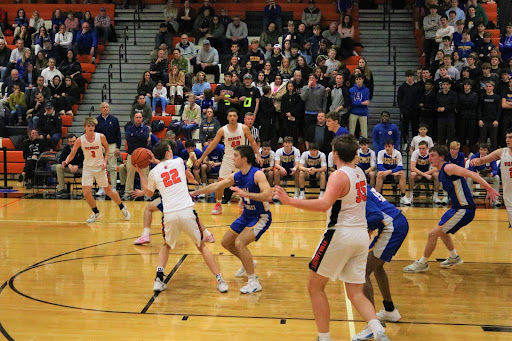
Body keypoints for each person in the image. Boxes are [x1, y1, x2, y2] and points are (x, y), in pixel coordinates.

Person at [273, 135, 390, 341]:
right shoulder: (360, 172)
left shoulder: (339, 175)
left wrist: (290, 200)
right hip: (361, 236)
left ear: (335, 153)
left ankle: (324, 337)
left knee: (315, 287)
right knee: (355, 292)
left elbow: (323, 204)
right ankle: (379, 332)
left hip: (340, 234)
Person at [133, 140, 227, 293]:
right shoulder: (178, 162)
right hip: (186, 210)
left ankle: (158, 280)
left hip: (169, 214)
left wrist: (140, 172)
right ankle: (220, 280)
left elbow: (149, 193)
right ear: (168, 153)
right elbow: (166, 164)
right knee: (201, 246)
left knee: (166, 246)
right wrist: (156, 159)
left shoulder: (153, 173)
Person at [404, 144, 499, 273]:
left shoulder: (449, 167)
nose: (429, 158)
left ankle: (423, 263)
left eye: (433, 156)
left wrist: (489, 188)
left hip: (464, 209)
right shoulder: (439, 171)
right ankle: (454, 257)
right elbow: (426, 173)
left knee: (433, 234)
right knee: (442, 231)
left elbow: (470, 173)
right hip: (456, 208)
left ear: (442, 157)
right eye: (429, 156)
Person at [191, 145, 272, 294]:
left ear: (244, 159)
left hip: (261, 216)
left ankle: (254, 281)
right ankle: (248, 262)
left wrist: (246, 195)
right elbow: (217, 185)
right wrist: (195, 193)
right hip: (247, 215)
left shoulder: (257, 174)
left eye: (235, 156)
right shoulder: (238, 175)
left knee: (240, 242)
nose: (233, 158)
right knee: (226, 242)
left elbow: (268, 195)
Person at [62, 117, 131, 223]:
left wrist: (105, 161)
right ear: (85, 127)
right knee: (86, 193)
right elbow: (72, 153)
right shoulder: (80, 140)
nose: (91, 128)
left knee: (109, 191)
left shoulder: (101, 137)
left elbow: (107, 149)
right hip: (88, 168)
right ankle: (96, 213)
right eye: (89, 126)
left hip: (100, 167)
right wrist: (66, 161)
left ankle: (122, 207)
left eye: (93, 126)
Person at [195, 109, 261, 214]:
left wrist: (258, 155)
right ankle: (218, 203)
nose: (232, 118)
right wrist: (201, 158)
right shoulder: (222, 130)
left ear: (237, 117)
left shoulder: (243, 128)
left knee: (246, 181)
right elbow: (212, 145)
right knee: (221, 182)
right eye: (230, 116)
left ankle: (243, 201)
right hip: (229, 158)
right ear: (227, 117)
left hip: (241, 158)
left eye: (234, 116)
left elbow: (252, 141)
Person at [362, 185, 409, 328]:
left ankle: (372, 323)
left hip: (392, 227)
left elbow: (376, 217)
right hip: (396, 222)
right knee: (377, 267)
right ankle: (390, 310)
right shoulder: (364, 184)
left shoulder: (361, 191)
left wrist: (366, 229)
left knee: (362, 270)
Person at [470, 129, 512, 227]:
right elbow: (482, 160)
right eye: (506, 137)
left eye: (510, 137)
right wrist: (477, 161)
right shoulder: (502, 152)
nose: (507, 140)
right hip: (508, 195)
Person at [95, 102, 121, 196]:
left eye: (107, 107)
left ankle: (113, 187)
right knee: (101, 167)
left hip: (112, 145)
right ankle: (101, 187)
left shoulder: (114, 119)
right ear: (100, 109)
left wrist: (118, 147)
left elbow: (118, 134)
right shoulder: (97, 120)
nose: (105, 109)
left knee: (112, 167)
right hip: (100, 146)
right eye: (103, 107)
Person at [375, 139, 411, 205]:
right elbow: (379, 167)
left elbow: (400, 167)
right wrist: (389, 172)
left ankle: (403, 196)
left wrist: (390, 171)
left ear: (393, 146)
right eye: (386, 146)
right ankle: (378, 197)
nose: (387, 148)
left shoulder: (397, 153)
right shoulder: (381, 153)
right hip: (385, 174)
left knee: (402, 174)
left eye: (389, 146)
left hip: (394, 174)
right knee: (379, 174)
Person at [397, 70, 421, 150]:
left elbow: (419, 98)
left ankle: (414, 143)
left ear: (413, 77)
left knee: (415, 127)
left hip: (415, 111)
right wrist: (403, 109)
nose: (409, 78)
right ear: (406, 77)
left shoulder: (417, 86)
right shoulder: (402, 87)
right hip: (405, 111)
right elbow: (399, 100)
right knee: (405, 128)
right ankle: (406, 143)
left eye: (410, 76)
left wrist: (417, 107)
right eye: (408, 76)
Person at [56, 134, 84, 198]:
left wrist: (78, 166)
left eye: (74, 141)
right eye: (71, 142)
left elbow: (86, 160)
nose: (73, 143)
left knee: (88, 169)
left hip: (80, 168)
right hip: (70, 168)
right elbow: (61, 160)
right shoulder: (66, 148)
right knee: (59, 167)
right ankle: (62, 189)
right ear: (68, 142)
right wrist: (68, 165)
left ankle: (86, 190)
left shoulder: (82, 148)